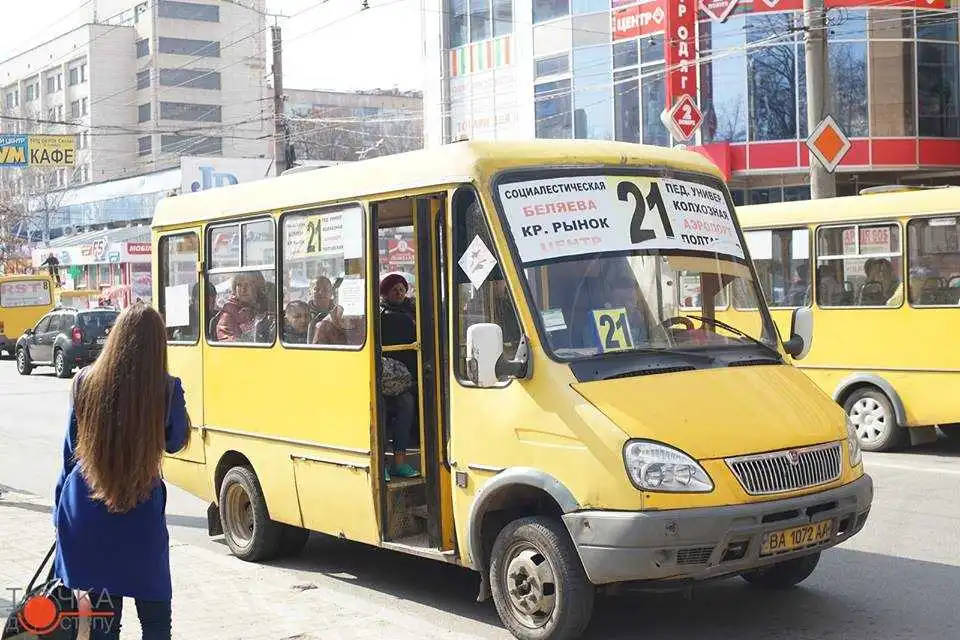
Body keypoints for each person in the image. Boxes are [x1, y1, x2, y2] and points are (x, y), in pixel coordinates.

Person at [52, 302, 190, 640]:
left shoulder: (85, 382)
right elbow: (175, 441)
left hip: (87, 513)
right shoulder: (165, 388)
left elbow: (70, 455)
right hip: (139, 515)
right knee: (156, 624)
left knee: (103, 626)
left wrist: (59, 518)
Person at [379, 273, 418, 480]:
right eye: (394, 289)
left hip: (404, 379)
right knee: (380, 410)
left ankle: (400, 462)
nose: (399, 292)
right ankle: (381, 463)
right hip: (382, 377)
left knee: (407, 403)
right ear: (385, 293)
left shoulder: (413, 312)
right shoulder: (379, 314)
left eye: (402, 289)